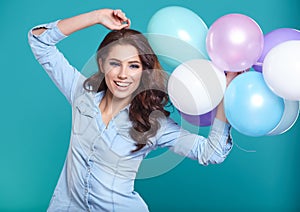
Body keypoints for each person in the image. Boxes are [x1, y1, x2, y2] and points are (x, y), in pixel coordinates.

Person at [28, 8, 235, 212]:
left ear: (144, 71)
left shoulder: (154, 124)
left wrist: (225, 93)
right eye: (115, 64)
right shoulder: (82, 95)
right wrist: (97, 17)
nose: (123, 75)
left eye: (133, 66)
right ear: (101, 63)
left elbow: (212, 153)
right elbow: (40, 41)